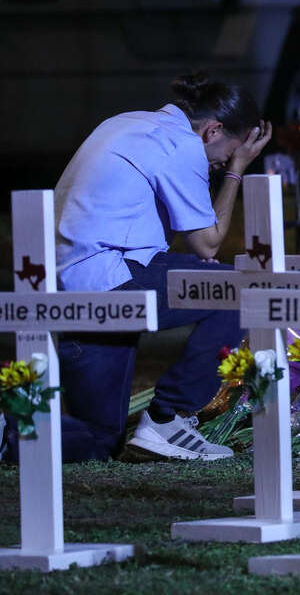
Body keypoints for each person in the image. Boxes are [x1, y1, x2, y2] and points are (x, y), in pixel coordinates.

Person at [50, 72, 272, 462]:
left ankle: (5, 435)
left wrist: (229, 158)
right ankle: (168, 416)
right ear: (213, 130)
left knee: (99, 439)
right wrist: (239, 169)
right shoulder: (180, 145)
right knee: (240, 290)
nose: (220, 163)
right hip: (111, 281)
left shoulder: (126, 122)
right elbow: (208, 243)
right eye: (228, 151)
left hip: (73, 291)